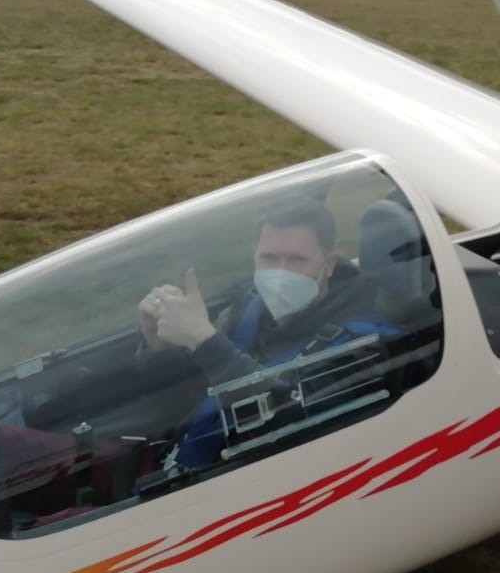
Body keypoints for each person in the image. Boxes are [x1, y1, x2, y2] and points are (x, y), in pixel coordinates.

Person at [137, 198, 393, 469]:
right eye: (269, 258)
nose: (281, 273)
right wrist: (158, 346)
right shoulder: (248, 307)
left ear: (328, 265)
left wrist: (205, 340)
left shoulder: (362, 343)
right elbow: (191, 393)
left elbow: (293, 422)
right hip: (189, 463)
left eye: (297, 260)